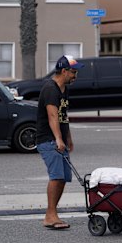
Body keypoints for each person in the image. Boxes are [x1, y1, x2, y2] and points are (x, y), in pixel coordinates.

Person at [36, 55, 84, 229]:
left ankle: (52, 213)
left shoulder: (64, 89)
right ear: (63, 71)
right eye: (73, 72)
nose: (75, 76)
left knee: (63, 177)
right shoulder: (50, 88)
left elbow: (64, 116)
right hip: (49, 140)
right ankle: (50, 215)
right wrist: (58, 138)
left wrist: (68, 137)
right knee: (56, 176)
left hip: (59, 139)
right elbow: (52, 116)